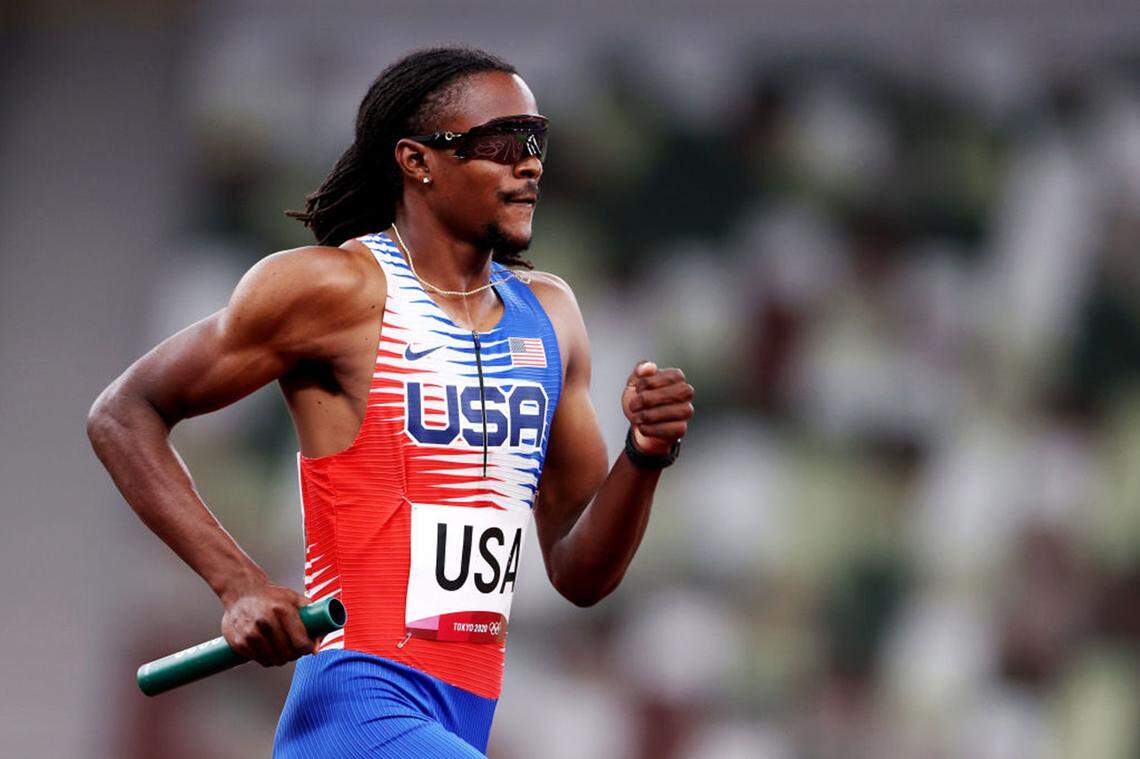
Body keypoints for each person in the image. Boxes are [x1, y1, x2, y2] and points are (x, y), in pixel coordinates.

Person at [87, 46, 694, 758]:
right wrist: (239, 583)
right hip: (356, 707)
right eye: (501, 144)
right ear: (417, 160)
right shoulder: (333, 290)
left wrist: (645, 454)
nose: (528, 164)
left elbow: (579, 571)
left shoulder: (551, 316)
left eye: (537, 143)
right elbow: (123, 413)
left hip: (464, 713)